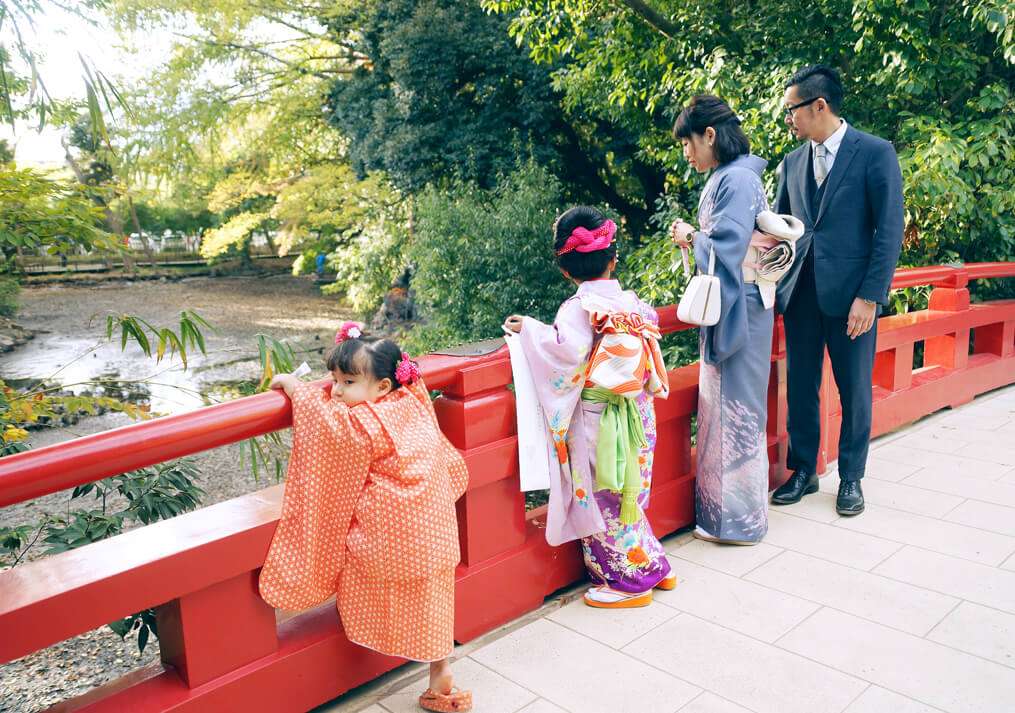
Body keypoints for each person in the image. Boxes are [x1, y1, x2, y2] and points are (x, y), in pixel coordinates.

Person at [259, 322, 472, 713]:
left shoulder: (361, 422)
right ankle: (441, 676)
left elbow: (323, 423)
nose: (336, 391)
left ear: (383, 387)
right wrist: (340, 381)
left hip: (393, 537)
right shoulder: (412, 400)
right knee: (434, 598)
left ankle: (428, 672)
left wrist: (296, 389)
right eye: (334, 380)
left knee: (357, 563)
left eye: (348, 382)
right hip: (436, 531)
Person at [503, 206, 676, 608]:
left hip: (601, 421)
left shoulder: (576, 309)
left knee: (605, 497)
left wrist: (528, 328)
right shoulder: (634, 303)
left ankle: (629, 583)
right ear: (613, 258)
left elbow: (564, 353)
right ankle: (655, 565)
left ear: (565, 270)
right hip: (637, 412)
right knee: (628, 491)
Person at [770, 65, 904, 515]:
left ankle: (851, 478)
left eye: (792, 110)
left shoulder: (874, 152)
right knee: (802, 386)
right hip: (802, 295)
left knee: (853, 389)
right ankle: (804, 470)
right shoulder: (790, 163)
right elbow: (778, 231)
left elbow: (888, 230)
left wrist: (870, 296)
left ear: (818, 106)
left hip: (853, 299)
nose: (788, 119)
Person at [670, 95, 774, 546]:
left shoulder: (735, 181)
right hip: (742, 304)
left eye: (689, 144)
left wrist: (690, 235)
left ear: (710, 135)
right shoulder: (732, 177)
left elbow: (726, 251)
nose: (687, 154)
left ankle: (739, 521)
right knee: (726, 409)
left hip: (742, 307)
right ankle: (725, 517)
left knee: (738, 411)